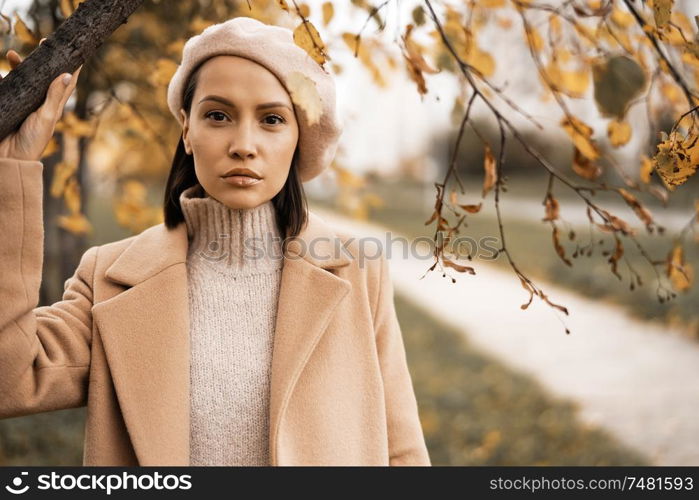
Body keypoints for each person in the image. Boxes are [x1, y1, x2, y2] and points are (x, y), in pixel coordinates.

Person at [0, 17, 431, 466]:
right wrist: (12, 173)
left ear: (299, 137)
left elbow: (401, 450)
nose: (244, 145)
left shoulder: (359, 270)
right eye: (218, 115)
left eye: (271, 120)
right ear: (187, 129)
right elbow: (10, 379)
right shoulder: (109, 278)